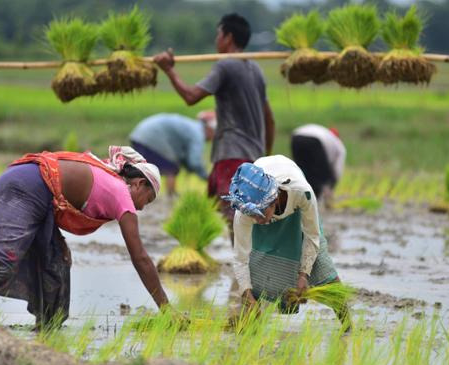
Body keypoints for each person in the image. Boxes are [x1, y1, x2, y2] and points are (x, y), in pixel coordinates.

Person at [0, 146, 172, 328]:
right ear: (139, 184)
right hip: (24, 187)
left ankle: (46, 331)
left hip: (33, 189)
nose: (142, 208)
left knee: (58, 260)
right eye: (148, 200)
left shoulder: (109, 181)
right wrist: (166, 309)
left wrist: (59, 240)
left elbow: (54, 192)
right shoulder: (121, 192)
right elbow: (140, 257)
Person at [153, 13, 275, 240]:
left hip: (232, 155)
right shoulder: (255, 69)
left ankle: (243, 269)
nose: (216, 39)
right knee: (243, 217)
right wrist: (264, 157)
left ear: (228, 37)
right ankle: (246, 267)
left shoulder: (226, 65)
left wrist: (168, 70)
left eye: (218, 34)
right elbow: (270, 119)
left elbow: (191, 96)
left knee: (234, 216)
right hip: (252, 158)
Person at [223, 155, 350, 328]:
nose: (257, 220)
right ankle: (249, 327)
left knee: (322, 267)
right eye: (252, 215)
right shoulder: (244, 210)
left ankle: (348, 327)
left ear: (274, 199)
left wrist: (303, 275)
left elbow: (312, 236)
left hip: (296, 213)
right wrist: (246, 294)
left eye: (260, 214)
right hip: (266, 210)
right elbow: (240, 258)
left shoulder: (302, 192)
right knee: (255, 270)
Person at [129, 111, 216, 197]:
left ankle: (136, 193)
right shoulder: (198, 134)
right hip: (151, 137)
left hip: (139, 135)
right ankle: (171, 195)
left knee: (142, 170)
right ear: (209, 129)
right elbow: (194, 162)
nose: (213, 138)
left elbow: (185, 157)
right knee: (171, 167)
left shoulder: (192, 127)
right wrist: (208, 178)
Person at [290, 124, 346, 205]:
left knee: (301, 170)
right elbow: (338, 168)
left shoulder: (326, 136)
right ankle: (315, 201)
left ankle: (299, 199)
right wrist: (332, 183)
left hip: (296, 137)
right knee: (320, 176)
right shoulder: (339, 145)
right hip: (314, 140)